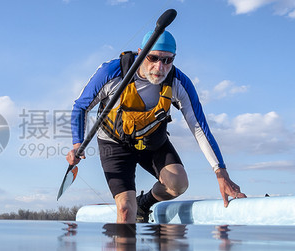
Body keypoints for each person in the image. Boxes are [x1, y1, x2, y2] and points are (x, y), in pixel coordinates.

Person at [66, 29, 246, 223]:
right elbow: (81, 107)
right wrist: (77, 144)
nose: (160, 67)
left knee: (178, 184)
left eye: (168, 60)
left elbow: (199, 129)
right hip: (115, 143)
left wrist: (221, 173)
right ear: (141, 52)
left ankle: (144, 203)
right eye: (153, 58)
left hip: (152, 141)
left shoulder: (178, 82)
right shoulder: (111, 72)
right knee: (126, 210)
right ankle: (127, 239)